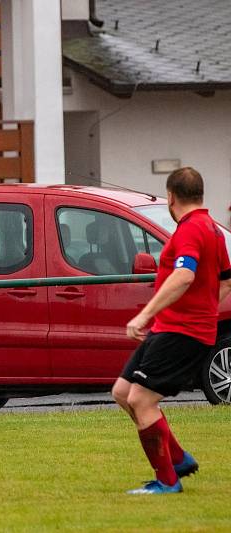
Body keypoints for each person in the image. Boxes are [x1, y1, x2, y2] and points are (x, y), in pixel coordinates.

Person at [112, 167, 231, 494]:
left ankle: (167, 481)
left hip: (181, 331)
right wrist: (205, 308)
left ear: (171, 197)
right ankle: (177, 458)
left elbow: (184, 275)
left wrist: (144, 315)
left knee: (141, 400)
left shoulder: (191, 230)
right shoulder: (213, 230)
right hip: (173, 327)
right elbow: (227, 278)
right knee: (122, 392)